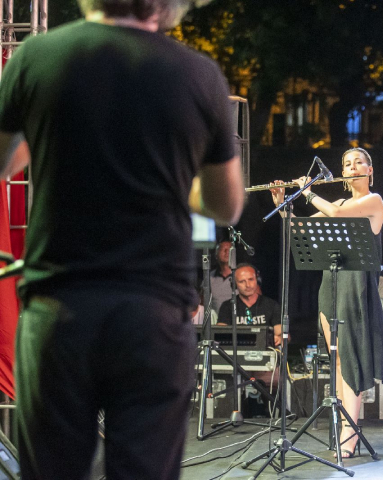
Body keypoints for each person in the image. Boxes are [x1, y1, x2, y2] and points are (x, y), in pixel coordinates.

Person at [0, 0, 244, 477]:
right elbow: (226, 204)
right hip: (153, 314)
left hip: (60, 309)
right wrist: (175, 179)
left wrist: (52, 136)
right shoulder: (197, 74)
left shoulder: (36, 56)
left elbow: (3, 162)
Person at [270, 148, 383, 459]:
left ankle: (351, 430)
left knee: (349, 359)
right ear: (344, 173)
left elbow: (335, 215)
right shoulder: (339, 202)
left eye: (359, 162)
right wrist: (283, 204)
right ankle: (341, 423)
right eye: (347, 164)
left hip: (356, 286)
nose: (353, 166)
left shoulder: (373, 201)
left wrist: (308, 192)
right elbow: (300, 228)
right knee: (335, 360)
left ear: (369, 170)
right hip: (331, 284)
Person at [217, 263, 283, 347]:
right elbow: (220, 335)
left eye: (251, 279)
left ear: (257, 280)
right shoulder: (227, 306)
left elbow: (283, 335)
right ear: (234, 284)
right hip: (236, 352)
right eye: (242, 281)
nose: (248, 285)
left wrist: (280, 338)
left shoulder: (271, 305)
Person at [210, 240, 234, 316]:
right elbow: (203, 302)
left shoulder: (243, 274)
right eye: (223, 249)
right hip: (217, 321)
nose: (227, 252)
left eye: (230, 249)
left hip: (239, 320)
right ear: (216, 254)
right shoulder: (209, 277)